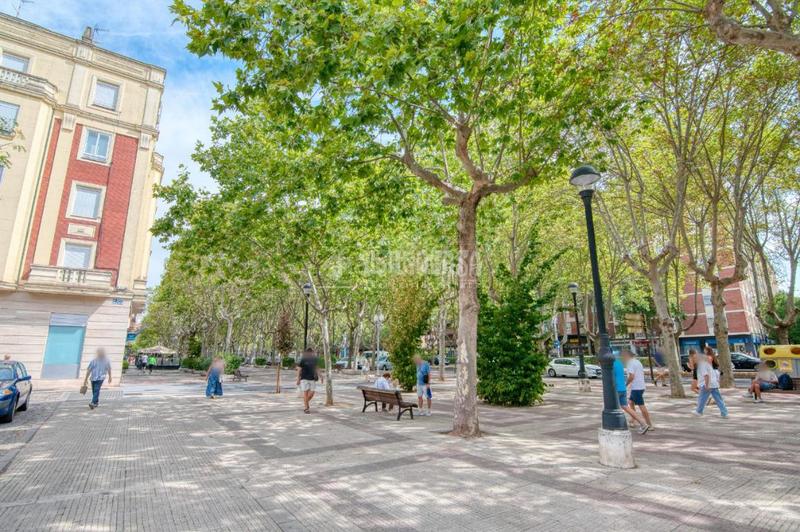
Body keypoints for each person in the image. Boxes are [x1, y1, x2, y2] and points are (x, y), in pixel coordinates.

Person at [613, 352, 649, 434]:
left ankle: (617, 425)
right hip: (622, 388)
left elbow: (612, 378)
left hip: (616, 389)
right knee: (626, 406)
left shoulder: (610, 365)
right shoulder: (619, 363)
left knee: (611, 407)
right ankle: (643, 423)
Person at [623, 349, 654, 430]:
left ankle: (649, 424)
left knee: (641, 405)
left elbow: (631, 376)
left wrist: (626, 384)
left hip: (636, 387)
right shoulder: (637, 362)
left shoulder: (630, 363)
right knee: (631, 402)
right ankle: (633, 420)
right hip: (640, 386)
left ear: (627, 356)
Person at [693, 351, 728, 418]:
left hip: (707, 384)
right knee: (718, 399)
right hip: (714, 384)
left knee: (702, 398)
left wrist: (707, 385)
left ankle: (699, 411)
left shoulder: (702, 365)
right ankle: (724, 413)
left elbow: (706, 376)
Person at [296, 348, 322, 414]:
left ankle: (305, 402)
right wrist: (298, 379)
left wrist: (321, 376)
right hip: (304, 378)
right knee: (305, 393)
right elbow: (299, 369)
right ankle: (306, 408)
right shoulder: (303, 359)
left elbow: (317, 368)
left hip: (312, 378)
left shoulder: (314, 359)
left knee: (312, 393)